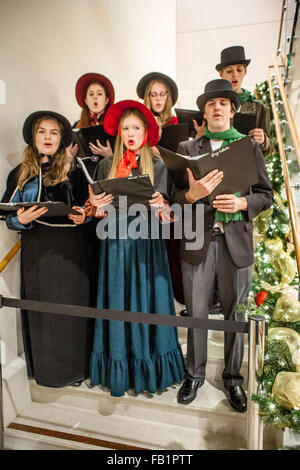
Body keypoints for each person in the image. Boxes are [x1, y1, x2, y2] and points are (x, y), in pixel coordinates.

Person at [173, 79, 273, 412]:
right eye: (211, 103)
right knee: (196, 313)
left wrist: (244, 204)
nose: (217, 107)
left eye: (223, 103)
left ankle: (233, 379)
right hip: (198, 241)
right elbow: (174, 198)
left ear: (232, 110)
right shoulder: (187, 150)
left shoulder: (248, 147)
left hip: (236, 243)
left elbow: (265, 195)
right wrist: (191, 195)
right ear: (204, 111)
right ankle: (194, 375)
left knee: (235, 314)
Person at [87, 100, 185, 397]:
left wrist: (162, 206)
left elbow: (169, 217)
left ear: (146, 132)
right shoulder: (105, 165)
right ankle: (119, 366)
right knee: (117, 300)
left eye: (136, 128)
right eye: (126, 128)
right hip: (114, 244)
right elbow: (97, 213)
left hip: (147, 245)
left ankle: (149, 366)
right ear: (119, 131)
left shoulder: (157, 166)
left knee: (148, 302)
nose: (131, 133)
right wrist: (97, 207)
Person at [5, 110, 94, 388]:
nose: (47, 137)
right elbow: (7, 213)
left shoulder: (76, 168)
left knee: (72, 313)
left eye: (54, 133)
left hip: (72, 252)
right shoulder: (19, 173)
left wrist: (85, 216)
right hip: (38, 252)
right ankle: (47, 370)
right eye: (42, 131)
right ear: (33, 137)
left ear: (61, 139)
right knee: (44, 314)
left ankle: (75, 370)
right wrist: (19, 219)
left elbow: (91, 207)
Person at [137, 72, 186, 310]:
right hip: (148, 191)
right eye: (153, 94)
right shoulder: (139, 124)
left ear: (169, 97)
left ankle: (175, 299)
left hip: (173, 189)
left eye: (162, 94)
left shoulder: (176, 125)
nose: (158, 99)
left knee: (174, 245)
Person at [216, 45, 273, 157]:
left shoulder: (258, 107)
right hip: (221, 167)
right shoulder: (213, 105)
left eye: (239, 70)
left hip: (248, 167)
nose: (235, 75)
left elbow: (269, 149)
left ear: (245, 71)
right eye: (229, 71)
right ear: (221, 74)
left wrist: (263, 140)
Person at [71, 72, 115, 175]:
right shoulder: (76, 126)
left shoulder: (116, 125)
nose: (95, 98)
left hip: (109, 175)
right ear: (86, 100)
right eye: (91, 94)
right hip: (84, 178)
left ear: (106, 100)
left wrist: (110, 155)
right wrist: (70, 156)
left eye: (99, 94)